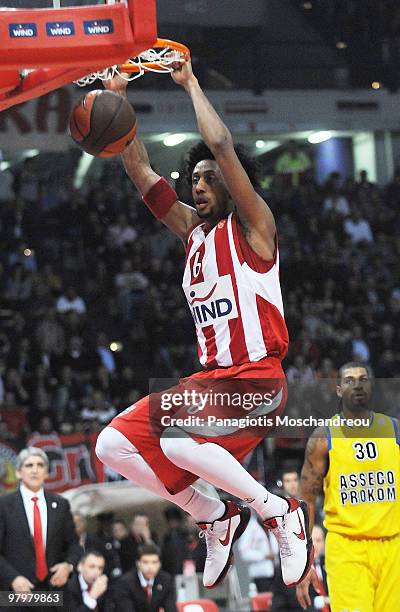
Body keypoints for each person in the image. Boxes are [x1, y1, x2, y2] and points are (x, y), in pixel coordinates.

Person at [96, 58, 313, 590]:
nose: (199, 186)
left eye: (209, 179)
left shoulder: (255, 227)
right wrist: (118, 99)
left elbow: (220, 145)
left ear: (234, 185)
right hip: (211, 382)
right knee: (111, 445)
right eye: (193, 179)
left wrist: (190, 82)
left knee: (174, 441)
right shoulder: (191, 233)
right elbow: (140, 171)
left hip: (258, 379)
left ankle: (277, 510)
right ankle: (213, 516)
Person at [296, 362, 400, 611]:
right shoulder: (324, 436)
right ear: (339, 390)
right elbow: (306, 499)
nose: (358, 385)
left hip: (393, 546)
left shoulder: (395, 430)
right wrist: (303, 558)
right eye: (350, 380)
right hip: (347, 547)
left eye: (363, 379)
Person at [0, 447, 81, 607]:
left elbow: (74, 546)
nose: (35, 470)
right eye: (29, 465)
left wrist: (68, 566)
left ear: (46, 472)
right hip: (16, 594)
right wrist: (13, 578)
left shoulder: (61, 504)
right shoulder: (4, 505)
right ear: (18, 473)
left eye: (40, 465)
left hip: (54, 593)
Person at [115, 544, 177, 612]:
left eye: (154, 562)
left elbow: (171, 608)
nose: (150, 567)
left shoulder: (166, 580)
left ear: (160, 564)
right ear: (138, 563)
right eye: (145, 562)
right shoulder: (125, 582)